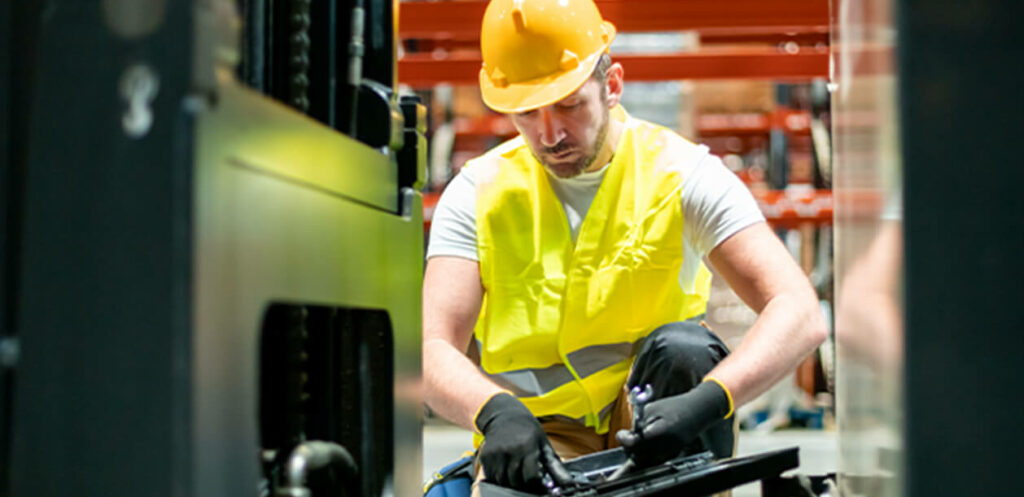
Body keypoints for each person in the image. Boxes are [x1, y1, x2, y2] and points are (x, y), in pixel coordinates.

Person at [422, 0, 828, 493]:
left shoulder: (683, 174)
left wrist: (708, 400)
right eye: (527, 113)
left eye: (570, 104)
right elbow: (431, 347)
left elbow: (800, 311)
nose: (549, 134)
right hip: (536, 436)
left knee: (687, 352)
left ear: (611, 86)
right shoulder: (477, 192)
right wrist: (493, 411)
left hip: (654, 427)